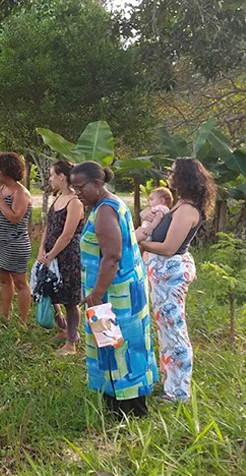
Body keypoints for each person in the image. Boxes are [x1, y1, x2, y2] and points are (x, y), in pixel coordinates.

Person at [71, 161, 157, 417]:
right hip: (118, 289)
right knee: (115, 344)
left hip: (115, 294)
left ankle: (129, 410)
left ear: (97, 184)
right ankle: (116, 403)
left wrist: (96, 294)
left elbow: (112, 257)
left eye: (80, 187)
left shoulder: (106, 211)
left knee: (121, 347)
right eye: (73, 187)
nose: (77, 192)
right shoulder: (106, 205)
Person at [138, 158, 214, 403]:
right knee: (166, 330)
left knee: (175, 331)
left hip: (171, 271)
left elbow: (169, 247)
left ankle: (178, 392)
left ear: (185, 177)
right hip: (163, 274)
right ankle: (170, 381)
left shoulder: (188, 210)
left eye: (172, 172)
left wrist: (136, 242)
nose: (168, 175)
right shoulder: (180, 204)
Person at [36, 160, 84, 354]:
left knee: (71, 300)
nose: (50, 179)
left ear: (62, 176)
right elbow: (49, 227)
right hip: (50, 254)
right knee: (49, 291)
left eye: (52, 174)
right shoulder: (57, 199)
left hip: (68, 256)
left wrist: (51, 254)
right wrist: (41, 250)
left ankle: (71, 342)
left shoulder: (75, 202)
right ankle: (63, 328)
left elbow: (67, 234)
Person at [0, 152, 33, 325]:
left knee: (20, 282)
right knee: (4, 280)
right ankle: (4, 317)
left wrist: (0, 201)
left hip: (15, 244)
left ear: (8, 171)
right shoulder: (2, 189)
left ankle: (22, 322)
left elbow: (15, 218)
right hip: (1, 244)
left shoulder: (20, 192)